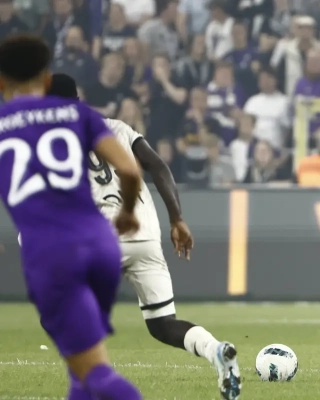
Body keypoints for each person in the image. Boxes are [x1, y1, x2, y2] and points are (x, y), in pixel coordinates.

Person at [47, 72, 242, 400]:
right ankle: (215, 350)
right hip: (145, 234)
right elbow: (158, 165)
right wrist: (177, 218)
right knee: (163, 324)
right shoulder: (116, 128)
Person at [0, 34, 143, 399]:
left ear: (1, 82)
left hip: (52, 254)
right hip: (102, 245)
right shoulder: (78, 114)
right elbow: (130, 171)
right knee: (80, 371)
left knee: (95, 373)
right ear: (47, 78)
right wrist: (127, 212)